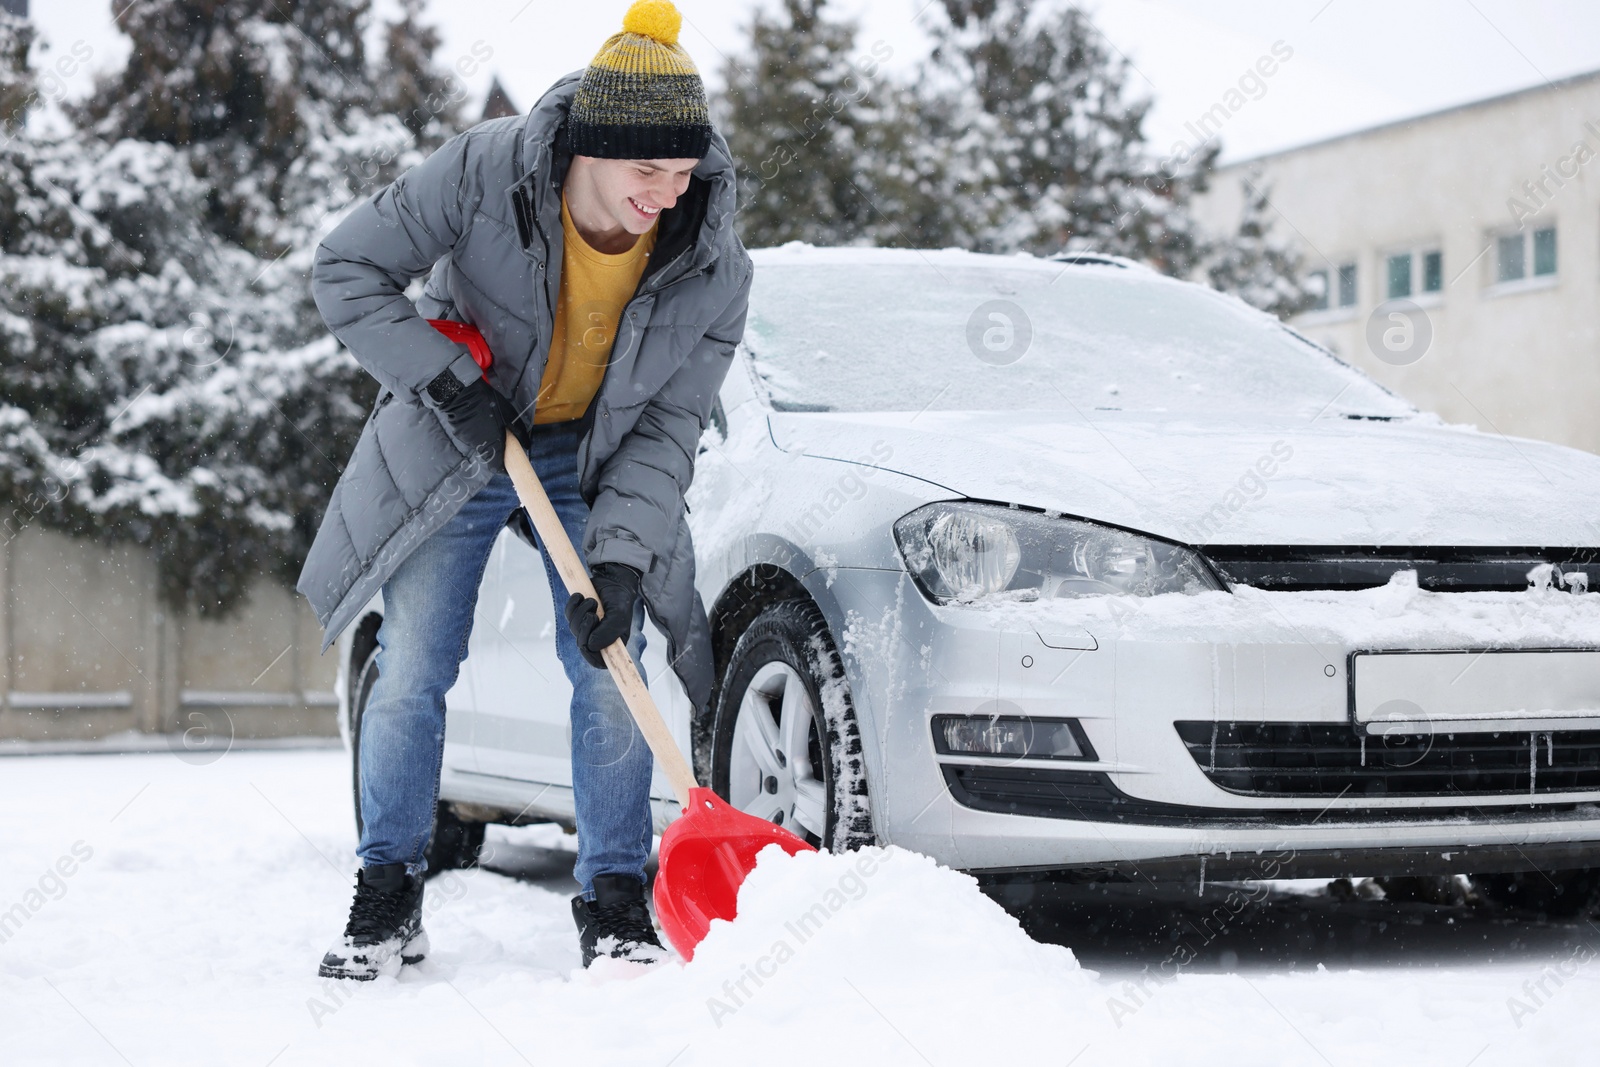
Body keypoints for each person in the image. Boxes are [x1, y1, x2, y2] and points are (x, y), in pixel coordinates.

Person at [296, 0, 752, 979]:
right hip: (458, 426)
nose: (667, 197)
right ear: (590, 148)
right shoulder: (486, 170)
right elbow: (346, 267)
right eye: (646, 173)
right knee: (414, 660)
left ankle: (617, 903)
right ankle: (387, 896)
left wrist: (623, 554)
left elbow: (669, 423)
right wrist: (443, 377)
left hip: (590, 451)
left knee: (609, 661)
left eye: (683, 174)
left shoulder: (710, 259)